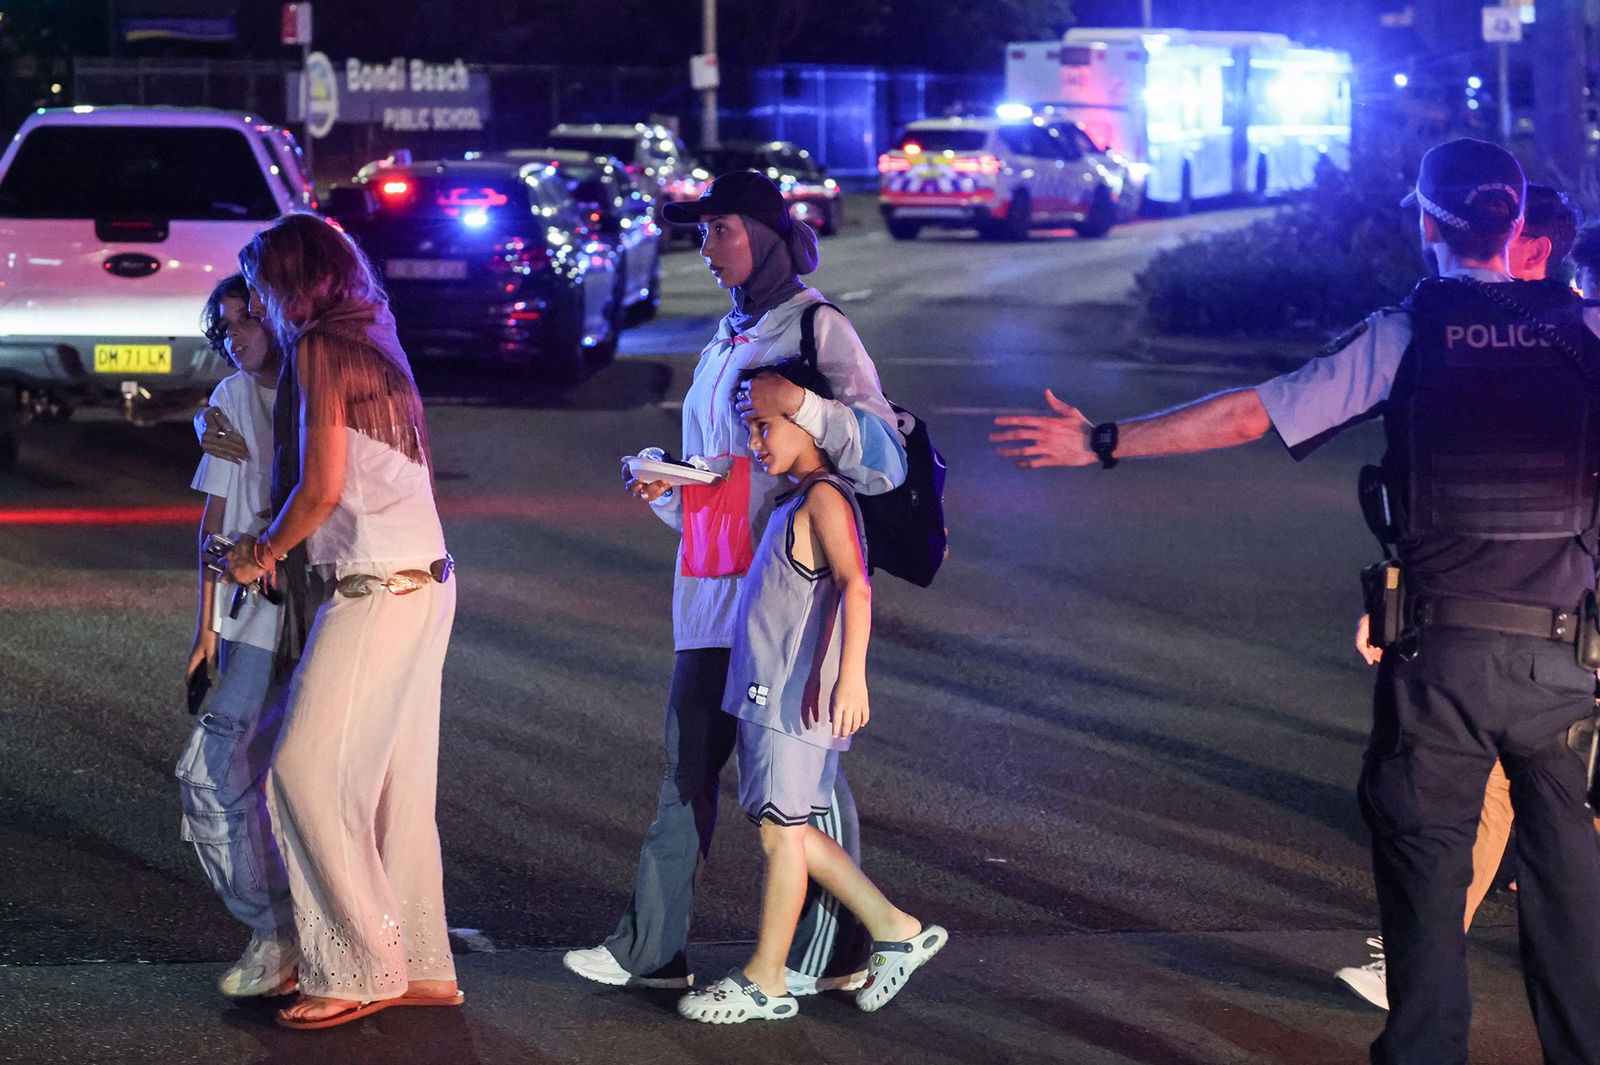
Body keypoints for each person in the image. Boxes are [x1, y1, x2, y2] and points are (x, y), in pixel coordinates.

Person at [990, 138, 1600, 1064]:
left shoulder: (1406, 336)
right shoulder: (1585, 337)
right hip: (1564, 663)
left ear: (1427, 224)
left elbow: (1252, 412)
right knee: (1573, 901)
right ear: (1519, 224)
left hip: (1440, 668)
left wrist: (1104, 441)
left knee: (1427, 890)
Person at [562, 171, 907, 994]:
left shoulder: (818, 327)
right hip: (709, 586)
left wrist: (806, 406)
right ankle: (653, 949)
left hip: (783, 594)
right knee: (692, 765)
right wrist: (665, 487)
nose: (704, 247)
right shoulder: (726, 338)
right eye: (701, 232)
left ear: (763, 233)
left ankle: (837, 953)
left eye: (718, 230)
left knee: (800, 782)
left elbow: (884, 458)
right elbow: (724, 477)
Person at [1335, 178, 1585, 1012]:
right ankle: (1421, 954)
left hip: (1556, 625)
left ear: (1537, 250)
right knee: (1504, 798)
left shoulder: (1569, 344)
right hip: (1534, 629)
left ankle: (1421, 961)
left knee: (1512, 800)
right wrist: (1405, 594)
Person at [220, 212, 462, 1030]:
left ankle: (357, 965)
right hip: (423, 579)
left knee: (306, 773)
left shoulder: (323, 348)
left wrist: (260, 551)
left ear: (294, 280)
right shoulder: (374, 339)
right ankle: (420, 961)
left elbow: (320, 488)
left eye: (260, 284)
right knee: (394, 789)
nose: (255, 302)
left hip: (378, 586)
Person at [676, 360, 945, 1024]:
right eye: (752, 430)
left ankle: (766, 979)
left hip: (790, 700)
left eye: (766, 427)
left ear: (806, 420)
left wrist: (853, 675)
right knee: (785, 829)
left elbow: (857, 584)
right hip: (778, 696)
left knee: (781, 836)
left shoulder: (824, 496)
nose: (758, 443)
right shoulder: (797, 494)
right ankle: (896, 928)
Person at [178, 273, 296, 998]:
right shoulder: (229, 397)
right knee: (212, 767)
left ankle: (296, 931)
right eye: (224, 328)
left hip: (322, 608)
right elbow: (215, 519)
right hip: (252, 616)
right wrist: (205, 629)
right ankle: (273, 927)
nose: (235, 338)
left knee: (295, 776)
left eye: (246, 321)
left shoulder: (321, 386)